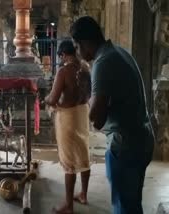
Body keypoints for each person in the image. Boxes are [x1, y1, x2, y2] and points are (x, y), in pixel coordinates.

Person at [70, 16, 155, 214]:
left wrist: (85, 87)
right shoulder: (119, 52)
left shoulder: (103, 62)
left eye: (76, 47)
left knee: (124, 207)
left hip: (126, 146)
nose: (77, 53)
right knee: (131, 203)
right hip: (142, 138)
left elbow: (96, 119)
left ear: (84, 43)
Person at [45, 39, 91, 214]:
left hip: (68, 117)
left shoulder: (64, 71)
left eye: (61, 57)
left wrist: (45, 99)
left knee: (69, 161)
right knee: (83, 153)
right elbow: (89, 93)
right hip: (82, 114)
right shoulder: (86, 68)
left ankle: (69, 206)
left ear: (63, 54)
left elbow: (54, 99)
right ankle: (83, 194)